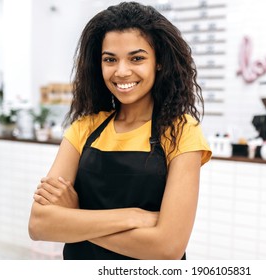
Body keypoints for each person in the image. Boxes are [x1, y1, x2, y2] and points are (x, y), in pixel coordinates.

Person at [28, 1, 211, 260]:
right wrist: (132, 216)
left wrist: (75, 218)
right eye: (110, 59)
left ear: (159, 62)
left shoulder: (181, 131)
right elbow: (38, 225)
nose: (122, 71)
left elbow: (167, 249)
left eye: (137, 58)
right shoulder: (84, 128)